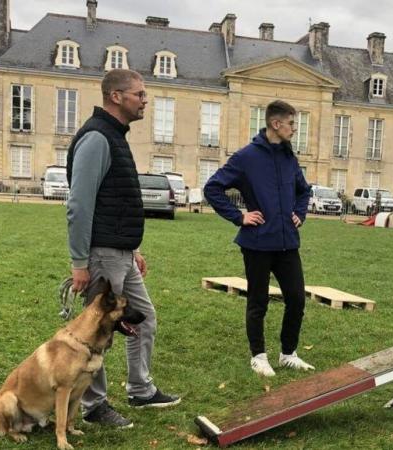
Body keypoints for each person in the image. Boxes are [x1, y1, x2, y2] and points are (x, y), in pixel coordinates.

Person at [66, 69, 180, 428]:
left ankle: (140, 389)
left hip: (121, 253)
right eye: (140, 95)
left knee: (143, 317)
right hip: (101, 253)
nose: (145, 101)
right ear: (116, 96)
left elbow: (117, 199)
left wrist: (134, 249)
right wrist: (79, 262)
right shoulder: (98, 138)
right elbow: (79, 205)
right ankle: (94, 406)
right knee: (97, 330)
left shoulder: (114, 136)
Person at [204, 100, 313, 377]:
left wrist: (300, 212)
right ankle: (259, 356)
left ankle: (288, 353)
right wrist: (239, 216)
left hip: (288, 242)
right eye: (291, 124)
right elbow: (213, 188)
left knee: (297, 299)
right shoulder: (246, 157)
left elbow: (303, 190)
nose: (294, 129)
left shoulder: (289, 157)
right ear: (275, 124)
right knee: (258, 301)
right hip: (257, 243)